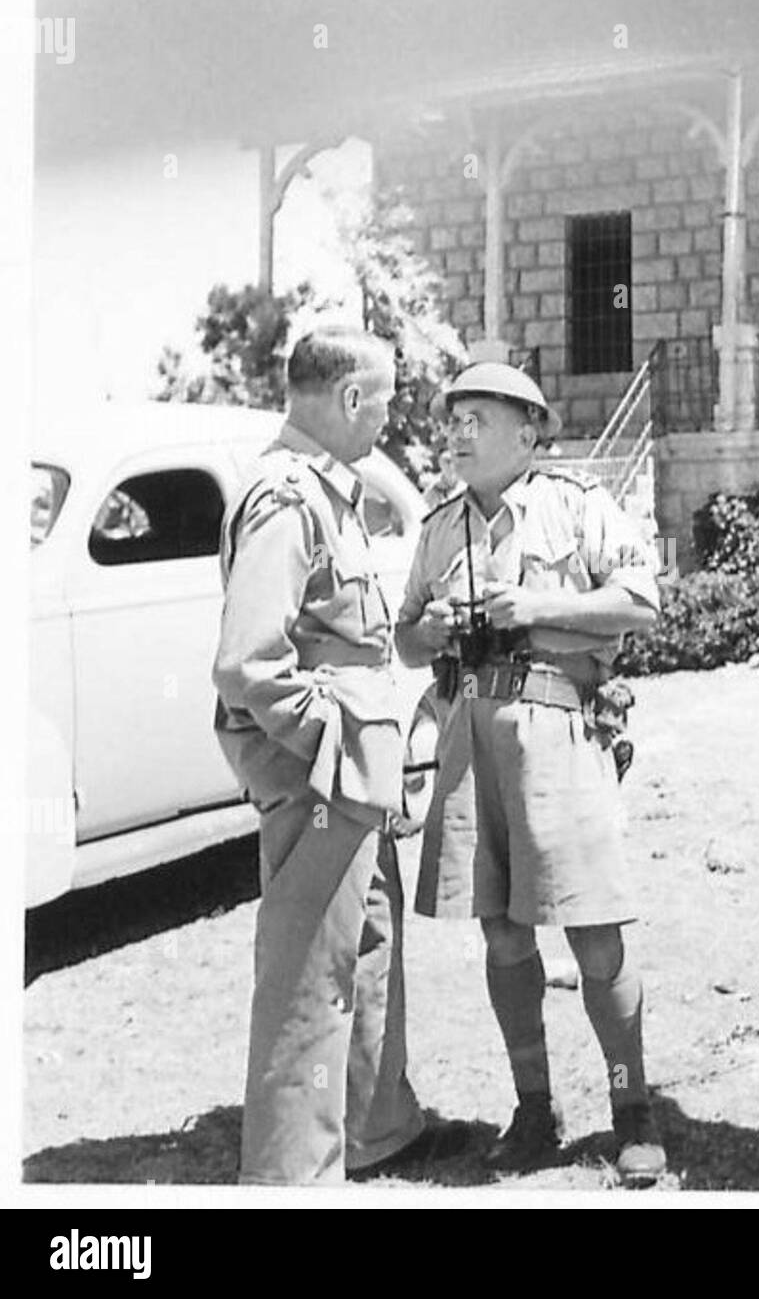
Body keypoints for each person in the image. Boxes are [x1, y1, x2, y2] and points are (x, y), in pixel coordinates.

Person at [395, 362, 666, 1188]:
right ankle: (533, 1106)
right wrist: (431, 629)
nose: (461, 434)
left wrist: (540, 609)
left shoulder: (575, 506)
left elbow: (642, 602)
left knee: (592, 926)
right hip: (471, 737)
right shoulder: (440, 529)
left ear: (528, 430)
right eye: (455, 421)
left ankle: (633, 1112)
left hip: (557, 729)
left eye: (479, 418)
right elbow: (403, 641)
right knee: (502, 930)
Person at [213, 326, 464, 1185]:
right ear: (351, 398)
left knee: (366, 945)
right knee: (308, 981)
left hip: (355, 773)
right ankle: (292, 1175)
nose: (392, 420)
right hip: (325, 774)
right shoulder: (287, 499)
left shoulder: (329, 491)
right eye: (388, 402)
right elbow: (249, 664)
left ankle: (375, 1128)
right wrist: (330, 746)